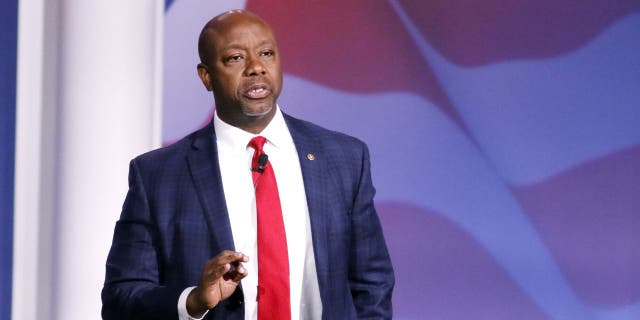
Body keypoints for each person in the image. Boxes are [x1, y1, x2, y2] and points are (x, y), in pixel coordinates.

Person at [101, 9, 394, 320]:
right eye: (235, 58)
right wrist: (193, 301)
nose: (256, 68)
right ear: (206, 76)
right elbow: (120, 299)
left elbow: (372, 285)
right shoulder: (159, 175)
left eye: (266, 53)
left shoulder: (344, 158)